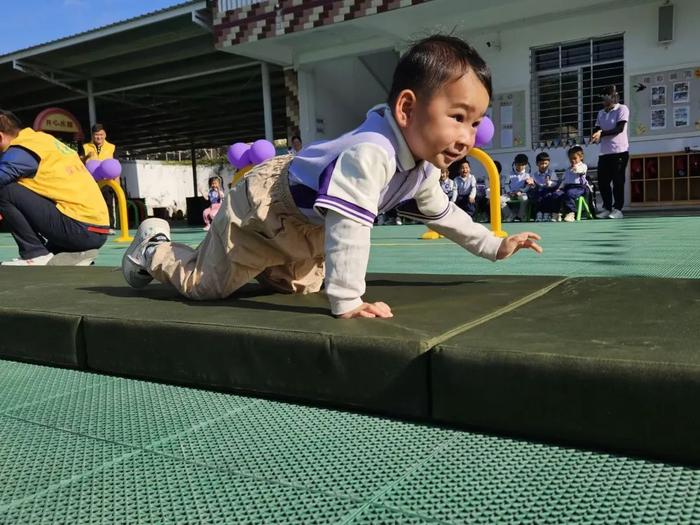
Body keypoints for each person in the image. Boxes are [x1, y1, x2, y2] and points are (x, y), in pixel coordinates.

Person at [122, 35, 542, 319]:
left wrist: (494, 244)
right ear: (407, 109)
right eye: (458, 117)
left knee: (296, 288)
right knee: (206, 286)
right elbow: (350, 226)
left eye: (475, 123)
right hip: (265, 209)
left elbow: (446, 216)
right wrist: (348, 299)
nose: (468, 136)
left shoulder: (422, 170)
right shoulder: (371, 154)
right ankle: (154, 247)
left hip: (306, 228)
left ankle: (267, 266)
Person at [0, 110, 109, 265]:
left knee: (5, 191)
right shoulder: (42, 140)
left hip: (79, 228)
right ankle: (72, 252)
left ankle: (34, 253)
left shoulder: (20, 150)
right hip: (96, 228)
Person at [590, 85, 629, 219]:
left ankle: (618, 209)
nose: (603, 102)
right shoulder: (601, 113)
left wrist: (601, 133)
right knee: (603, 182)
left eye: (606, 98)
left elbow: (619, 129)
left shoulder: (622, 109)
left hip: (620, 152)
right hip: (604, 153)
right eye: (602, 99)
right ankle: (607, 207)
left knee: (618, 181)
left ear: (613, 97)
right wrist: (594, 135)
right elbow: (596, 129)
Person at [82, 123, 118, 229]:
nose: (99, 137)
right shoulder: (85, 147)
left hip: (107, 182)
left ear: (105, 135)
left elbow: (116, 166)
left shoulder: (112, 147)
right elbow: (80, 163)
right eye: (96, 135)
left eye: (101, 135)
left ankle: (110, 226)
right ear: (93, 136)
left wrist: (117, 184)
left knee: (108, 204)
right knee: (92, 204)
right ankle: (94, 225)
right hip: (91, 182)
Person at [558, 145, 589, 222]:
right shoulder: (568, 169)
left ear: (581, 157)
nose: (572, 160)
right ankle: (557, 213)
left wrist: (576, 169)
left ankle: (571, 213)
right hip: (568, 187)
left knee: (569, 193)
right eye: (570, 159)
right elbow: (564, 181)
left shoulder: (583, 166)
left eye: (575, 158)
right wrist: (560, 188)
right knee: (557, 194)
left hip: (580, 187)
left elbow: (582, 171)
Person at [529, 152, 559, 222]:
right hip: (538, 191)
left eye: (546, 163)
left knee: (548, 195)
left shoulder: (552, 173)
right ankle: (539, 213)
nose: (543, 165)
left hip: (548, 190)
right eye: (541, 163)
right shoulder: (534, 175)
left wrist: (550, 183)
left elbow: (555, 183)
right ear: (537, 164)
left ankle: (546, 213)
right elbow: (533, 184)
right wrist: (531, 184)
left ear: (548, 163)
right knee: (536, 194)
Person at [506, 153, 531, 222]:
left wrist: (521, 191)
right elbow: (506, 184)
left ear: (526, 165)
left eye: (522, 165)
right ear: (515, 164)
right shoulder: (510, 174)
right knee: (499, 200)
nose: (520, 166)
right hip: (510, 194)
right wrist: (509, 192)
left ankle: (520, 216)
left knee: (525, 198)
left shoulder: (527, 175)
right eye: (518, 164)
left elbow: (528, 187)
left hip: (520, 194)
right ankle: (510, 215)